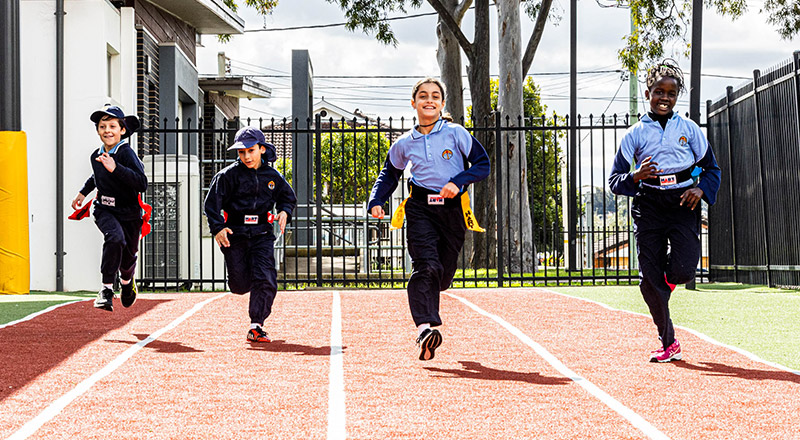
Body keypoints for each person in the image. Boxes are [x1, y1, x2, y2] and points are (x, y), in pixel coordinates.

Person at [367, 77, 490, 361]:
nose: (429, 100)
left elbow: (482, 164)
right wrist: (376, 200)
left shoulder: (456, 133)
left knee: (443, 275)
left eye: (435, 96)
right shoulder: (404, 143)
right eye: (423, 96)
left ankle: (429, 314)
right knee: (425, 265)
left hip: (452, 209)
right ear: (414, 103)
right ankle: (425, 328)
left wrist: (458, 182)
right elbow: (389, 174)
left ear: (442, 103)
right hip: (420, 208)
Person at [608, 60, 721, 362]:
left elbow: (712, 169)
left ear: (676, 97)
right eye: (659, 92)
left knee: (684, 269)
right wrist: (636, 176)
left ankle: (665, 284)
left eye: (671, 94)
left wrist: (700, 189)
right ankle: (668, 341)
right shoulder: (634, 134)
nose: (665, 98)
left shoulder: (689, 129)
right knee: (648, 280)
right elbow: (614, 180)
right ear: (648, 93)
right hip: (649, 205)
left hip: (683, 202)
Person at [204, 126, 296, 343]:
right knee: (239, 285)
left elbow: (287, 197)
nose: (246, 156)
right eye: (241, 152)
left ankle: (256, 325)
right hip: (235, 234)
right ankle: (248, 284)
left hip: (262, 234)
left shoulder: (273, 176)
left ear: (262, 149)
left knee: (265, 277)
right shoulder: (226, 176)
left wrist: (284, 211)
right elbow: (211, 205)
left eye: (251, 151)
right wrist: (217, 228)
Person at [71, 105, 147, 312]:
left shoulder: (126, 154)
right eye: (102, 126)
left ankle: (126, 282)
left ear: (122, 130)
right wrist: (82, 193)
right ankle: (105, 289)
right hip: (104, 208)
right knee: (114, 238)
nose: (107, 130)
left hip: (129, 212)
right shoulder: (95, 155)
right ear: (97, 131)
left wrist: (116, 168)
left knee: (129, 256)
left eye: (112, 126)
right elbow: (96, 177)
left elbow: (142, 183)